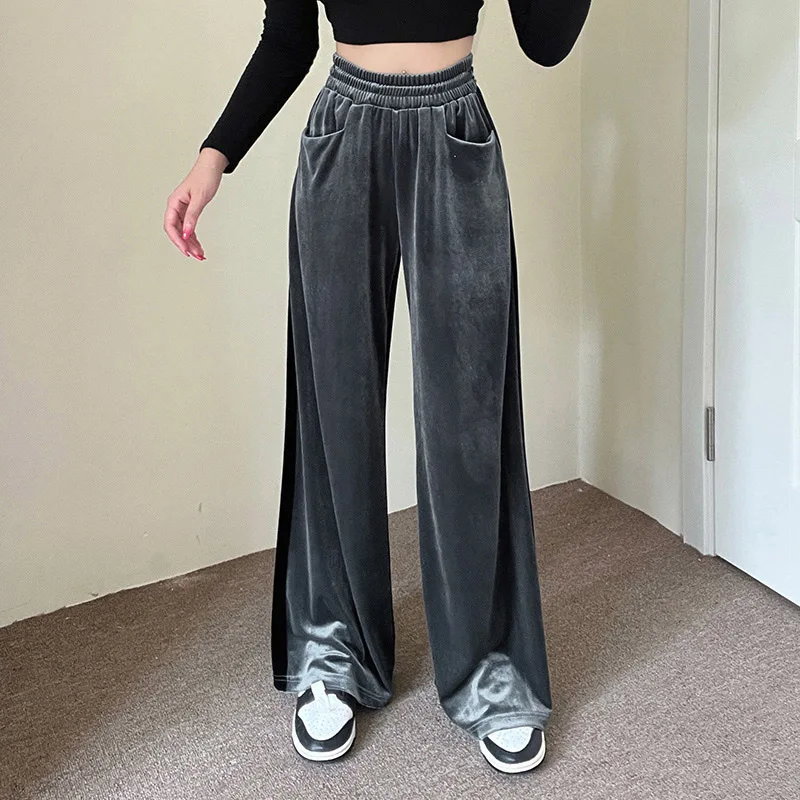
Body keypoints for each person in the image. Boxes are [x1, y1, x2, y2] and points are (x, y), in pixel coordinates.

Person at [164, 0, 591, 775]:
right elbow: (287, 39)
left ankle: (491, 664)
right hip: (343, 133)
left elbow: (548, 42)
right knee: (336, 408)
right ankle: (334, 651)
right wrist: (213, 157)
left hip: (455, 133)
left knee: (470, 417)